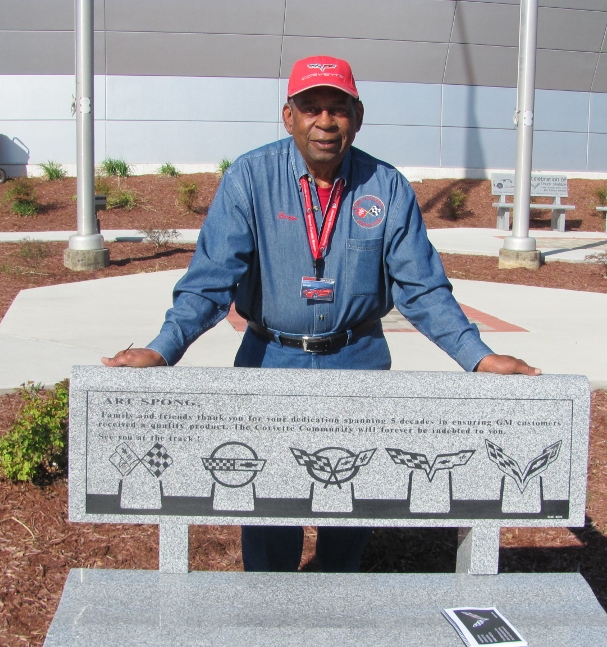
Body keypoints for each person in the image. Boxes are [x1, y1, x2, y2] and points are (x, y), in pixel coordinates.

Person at [103, 55, 540, 573]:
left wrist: (478, 357)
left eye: (338, 109)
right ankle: (270, 606)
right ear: (288, 116)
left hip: (358, 360)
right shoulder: (250, 179)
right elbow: (211, 281)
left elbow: (421, 290)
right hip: (271, 360)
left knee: (353, 502)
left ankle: (339, 605)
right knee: (267, 502)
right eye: (311, 108)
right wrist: (164, 347)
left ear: (357, 116)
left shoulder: (387, 187)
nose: (325, 122)